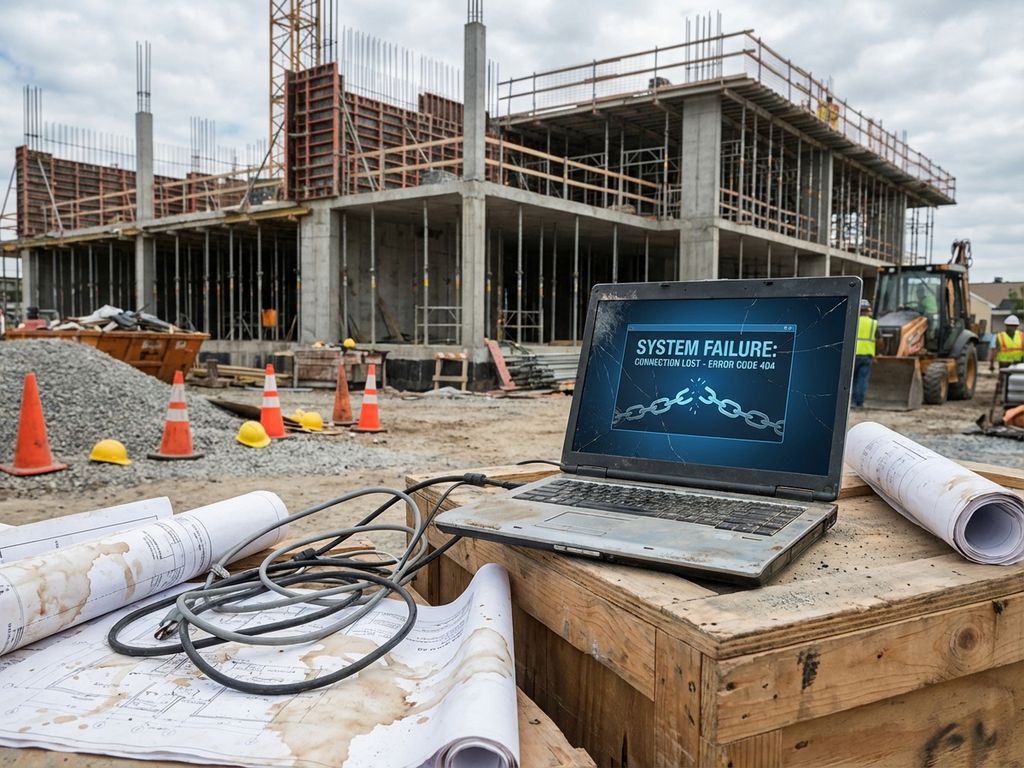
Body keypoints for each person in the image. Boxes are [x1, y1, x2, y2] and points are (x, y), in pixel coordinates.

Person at [852, 299, 877, 408]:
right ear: (868, 310)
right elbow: (880, 340)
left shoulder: (853, 321)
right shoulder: (873, 323)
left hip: (852, 355)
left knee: (852, 379)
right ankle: (859, 403)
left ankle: (851, 402)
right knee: (862, 379)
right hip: (867, 355)